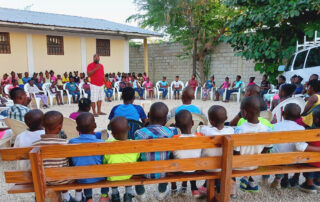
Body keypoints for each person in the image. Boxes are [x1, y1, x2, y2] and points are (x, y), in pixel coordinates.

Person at [134, 102, 174, 201]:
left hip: (144, 172)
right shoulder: (169, 133)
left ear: (148, 116)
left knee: (137, 160)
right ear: (165, 120)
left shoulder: (139, 133)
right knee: (166, 158)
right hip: (163, 172)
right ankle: (162, 191)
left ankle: (140, 193)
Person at [31, 111, 74, 202]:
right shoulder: (65, 143)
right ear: (60, 127)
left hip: (42, 180)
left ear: (42, 124)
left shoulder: (34, 144)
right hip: (63, 180)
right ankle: (66, 197)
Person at [234, 96, 273, 192]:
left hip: (240, 165)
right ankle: (250, 182)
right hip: (256, 163)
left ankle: (232, 189)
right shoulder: (267, 130)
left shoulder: (240, 129)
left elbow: (236, 152)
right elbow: (267, 149)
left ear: (245, 112)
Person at [69, 113, 110, 202]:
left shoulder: (72, 142)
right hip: (100, 177)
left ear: (77, 129)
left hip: (81, 178)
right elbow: (105, 159)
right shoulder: (101, 143)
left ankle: (89, 198)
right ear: (95, 126)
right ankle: (104, 195)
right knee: (105, 168)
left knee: (85, 167)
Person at [269, 104, 306, 189]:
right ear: (299, 117)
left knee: (278, 150)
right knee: (294, 151)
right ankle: (287, 179)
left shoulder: (274, 126)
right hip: (294, 160)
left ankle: (277, 179)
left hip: (275, 159)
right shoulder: (301, 129)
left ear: (283, 113)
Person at [200, 105, 235, 195]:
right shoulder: (231, 131)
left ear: (210, 121)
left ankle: (207, 186)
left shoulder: (205, 130)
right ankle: (225, 189)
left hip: (207, 166)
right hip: (226, 166)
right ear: (226, 118)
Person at [103, 117, 139, 202]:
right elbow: (137, 159)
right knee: (129, 170)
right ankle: (128, 194)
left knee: (112, 171)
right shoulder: (134, 145)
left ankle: (115, 194)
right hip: (129, 175)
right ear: (129, 128)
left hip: (113, 176)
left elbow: (104, 161)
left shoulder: (107, 144)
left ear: (112, 134)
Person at [171, 110, 202, 198]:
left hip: (178, 170)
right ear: (192, 123)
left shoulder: (174, 138)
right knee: (191, 157)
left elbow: (172, 153)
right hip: (195, 169)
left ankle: (174, 189)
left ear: (176, 125)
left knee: (174, 158)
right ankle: (186, 188)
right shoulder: (200, 136)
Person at [299, 108, 320, 193]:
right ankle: (318, 181)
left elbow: (304, 146)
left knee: (307, 159)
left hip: (312, 162)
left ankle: (309, 183)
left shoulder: (311, 133)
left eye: (313, 117)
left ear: (317, 119)